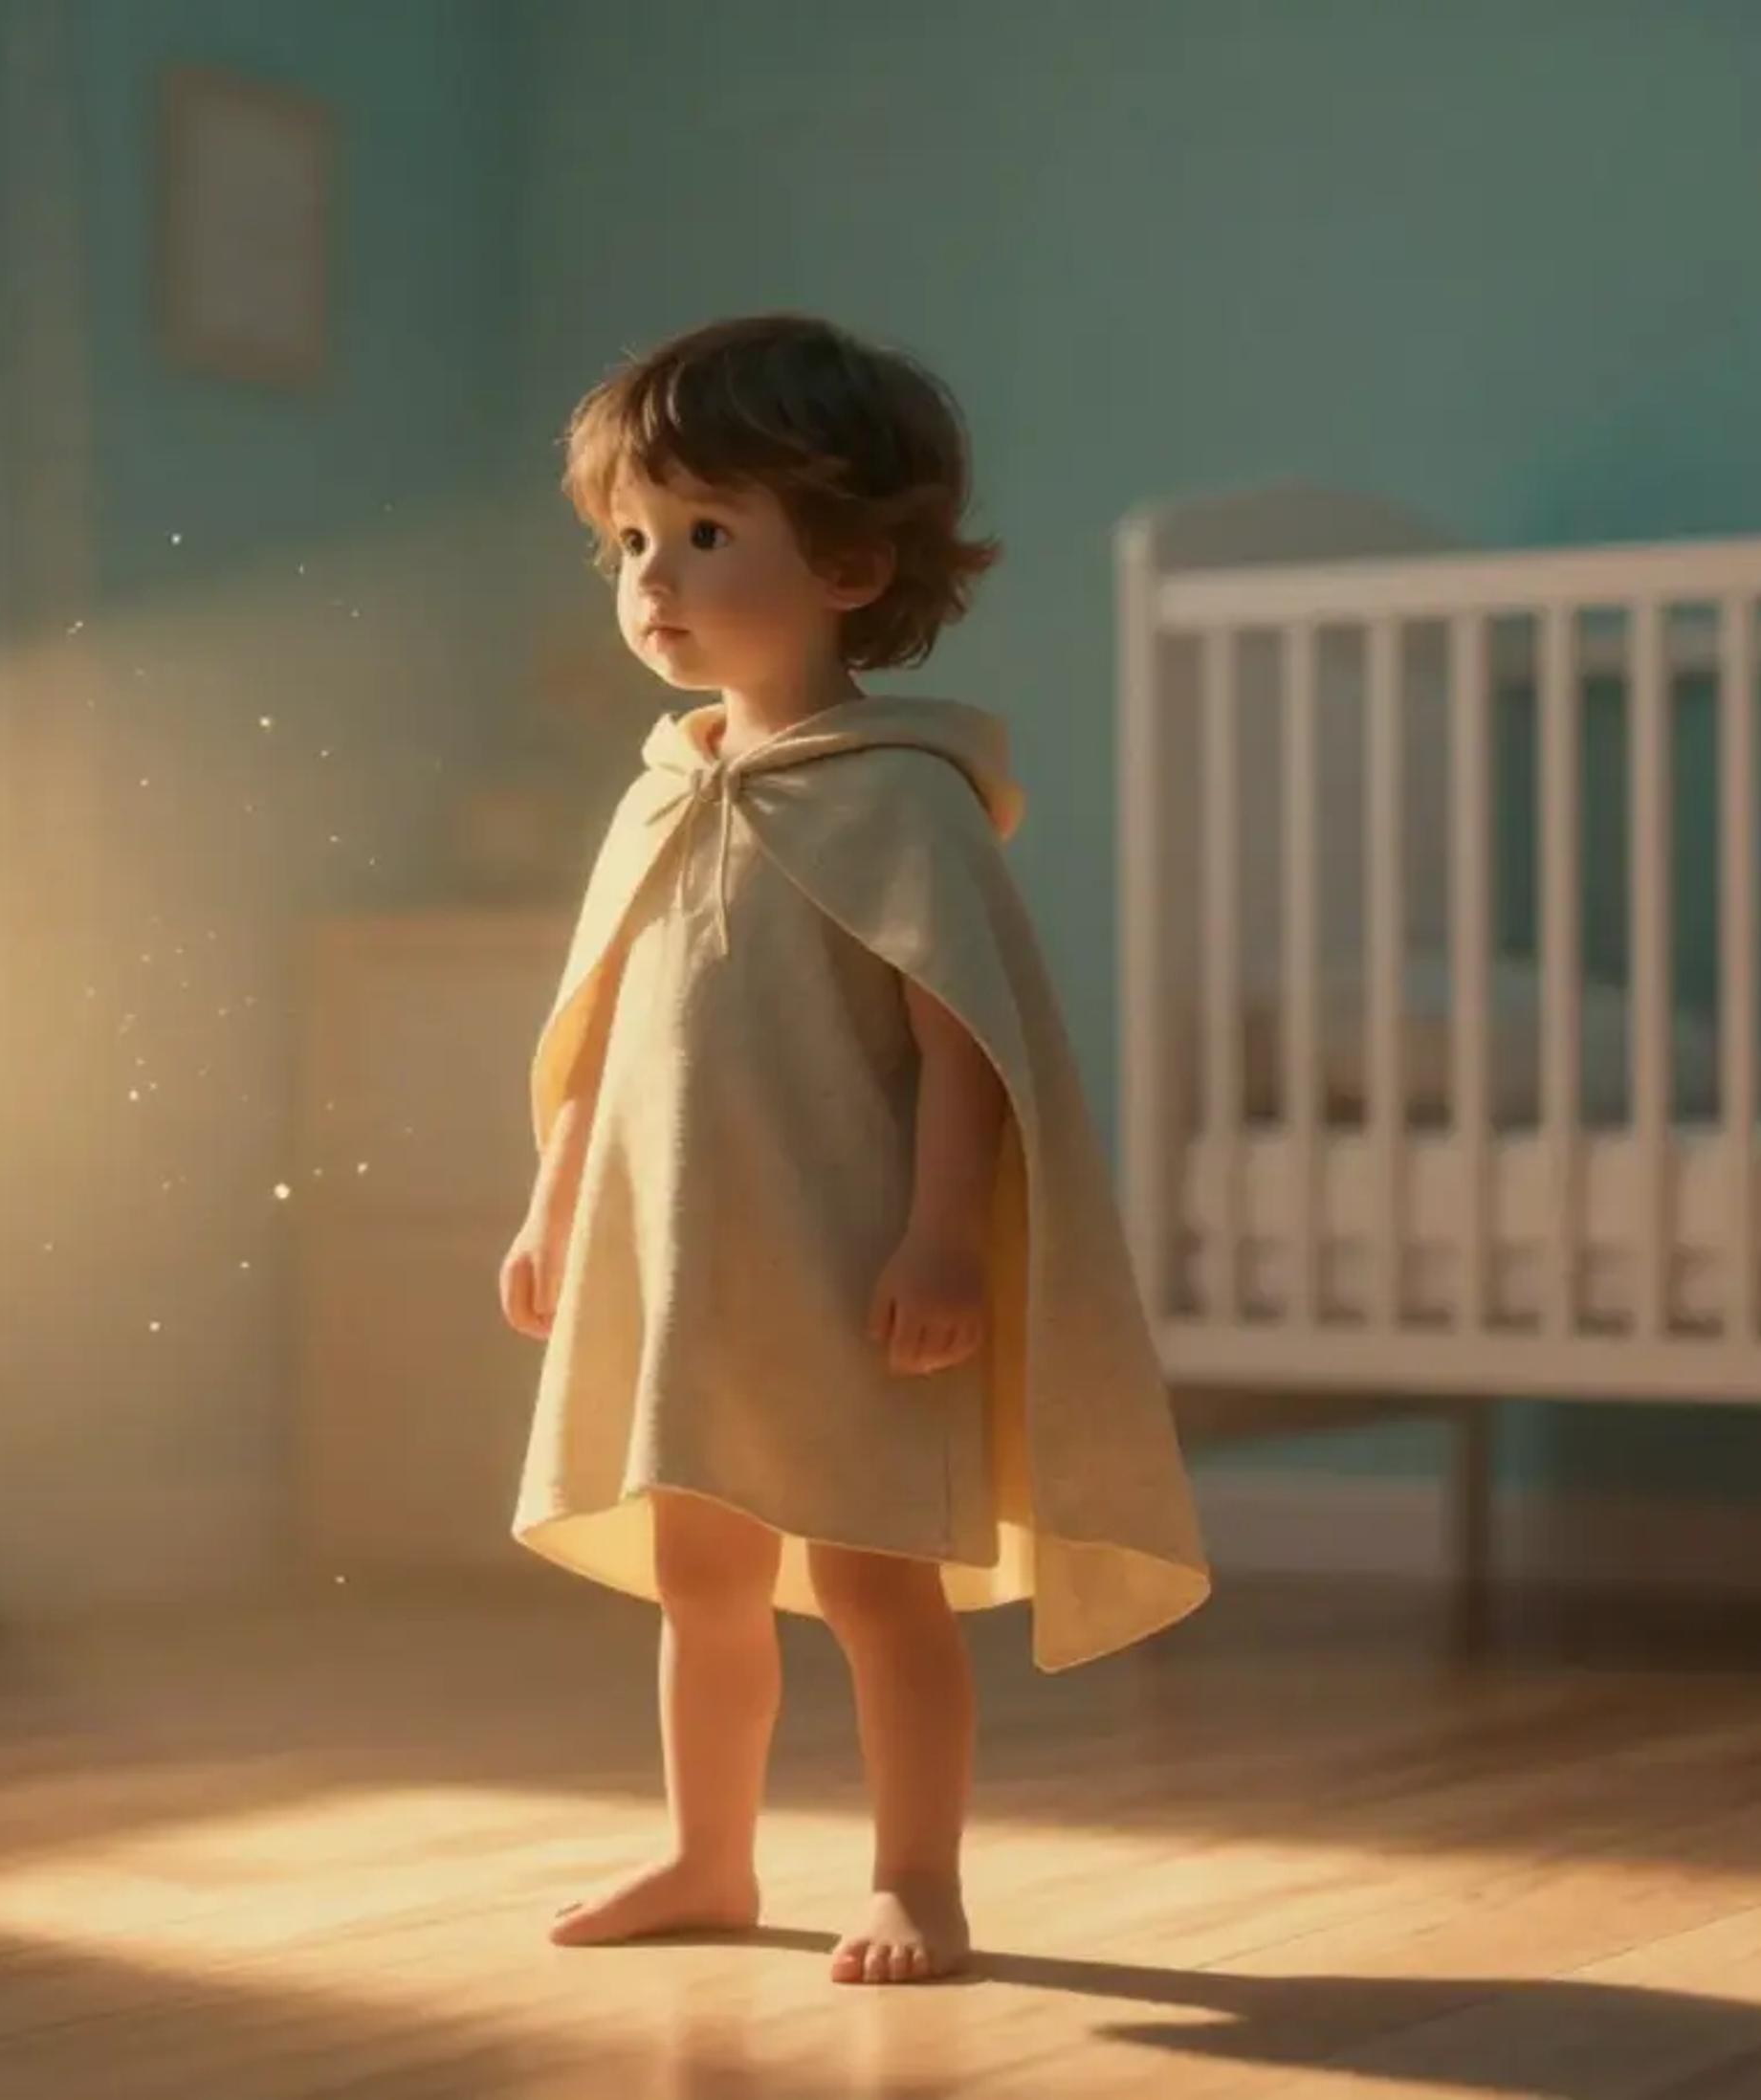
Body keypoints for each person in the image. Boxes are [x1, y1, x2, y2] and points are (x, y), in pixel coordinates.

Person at [502, 314, 1207, 1986]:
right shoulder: (666, 790)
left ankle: (918, 1877)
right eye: (629, 541)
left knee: (875, 1583)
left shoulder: (899, 796)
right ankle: (708, 1854)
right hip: (684, 1264)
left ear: (852, 562)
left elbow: (969, 1036)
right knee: (700, 1571)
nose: (652, 578)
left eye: (705, 534)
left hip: (848, 1263)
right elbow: (601, 1028)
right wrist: (551, 1204)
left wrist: (944, 1234)